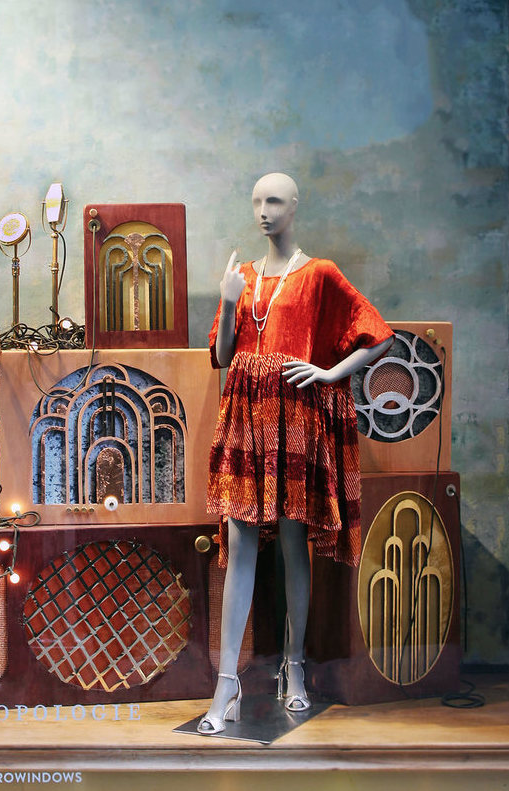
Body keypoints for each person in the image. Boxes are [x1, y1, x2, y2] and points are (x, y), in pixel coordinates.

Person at [198, 172, 393, 735]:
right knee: (238, 544)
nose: (264, 211)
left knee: (291, 544)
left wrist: (330, 372)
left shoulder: (320, 273)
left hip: (295, 417)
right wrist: (228, 301)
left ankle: (295, 666)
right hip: (244, 416)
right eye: (257, 200)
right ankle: (227, 682)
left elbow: (379, 336)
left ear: (295, 206)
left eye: (275, 200)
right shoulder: (245, 276)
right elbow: (222, 353)